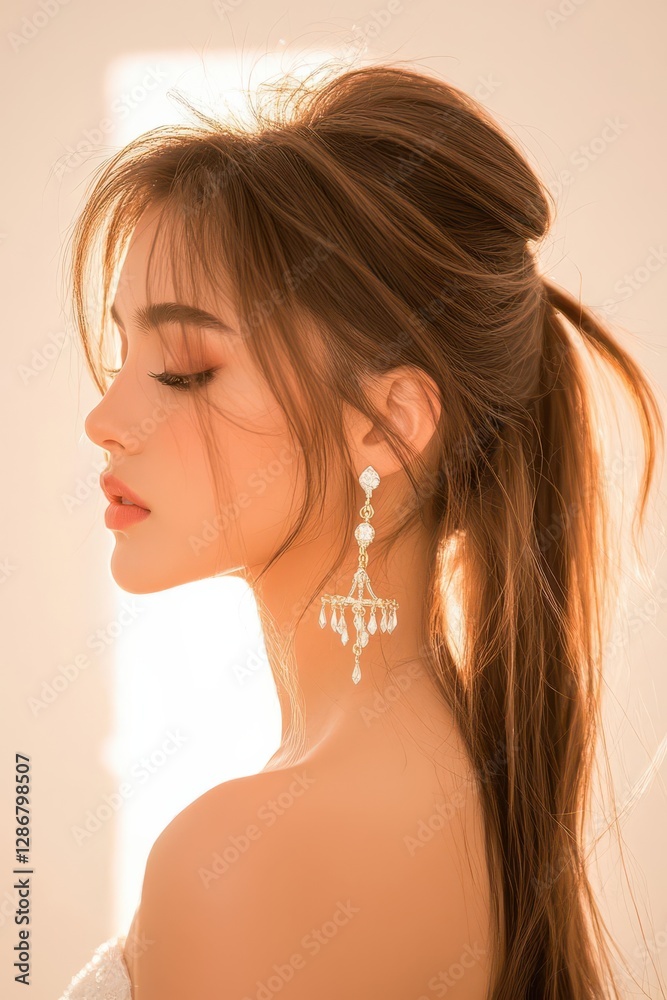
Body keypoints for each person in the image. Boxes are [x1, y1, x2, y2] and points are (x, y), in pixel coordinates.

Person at [58, 59, 664, 1000]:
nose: (105, 418)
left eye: (180, 367)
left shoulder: (245, 862)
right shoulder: (461, 785)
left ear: (386, 427)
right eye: (122, 351)